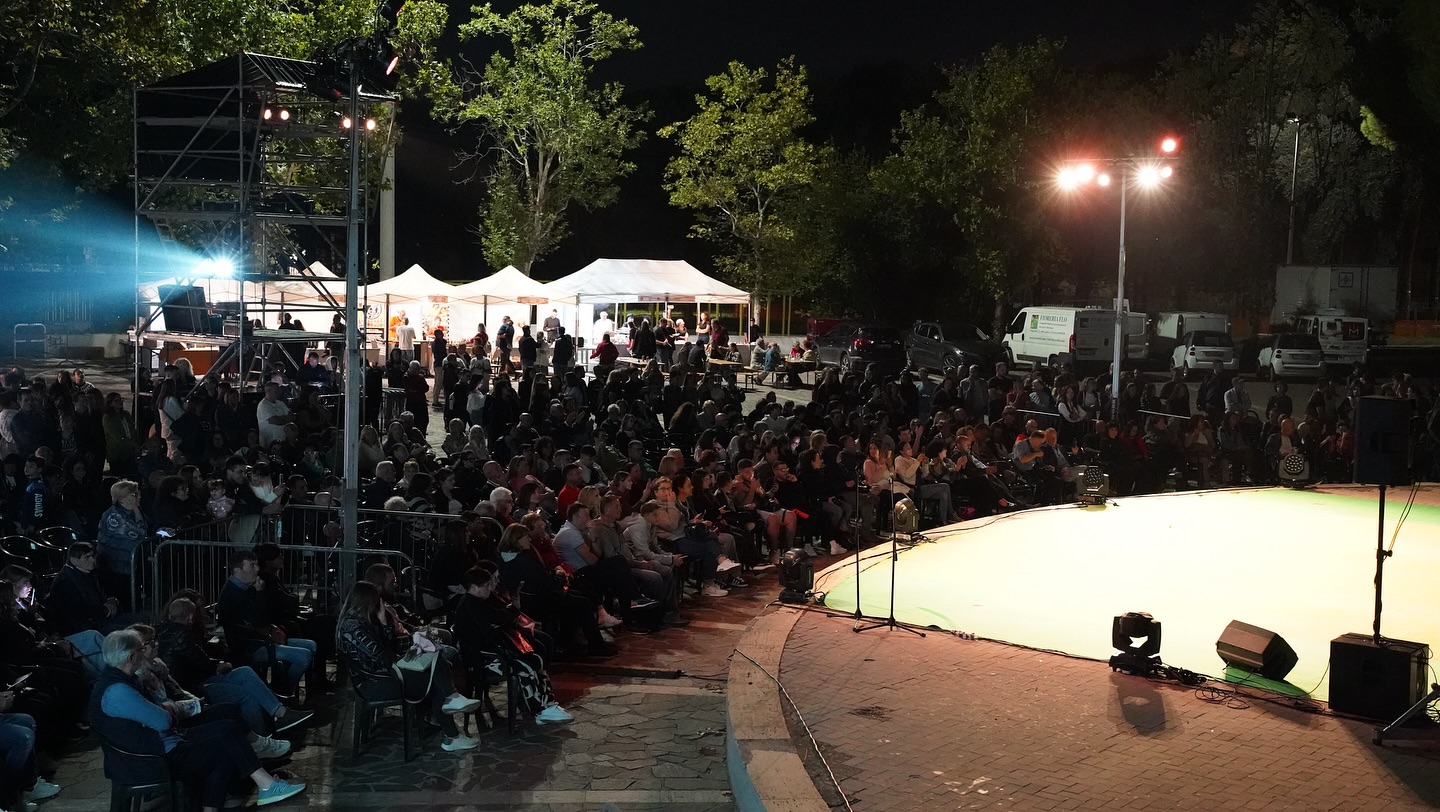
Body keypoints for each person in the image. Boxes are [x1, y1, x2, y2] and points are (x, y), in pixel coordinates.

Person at [90, 629, 306, 811]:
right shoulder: (117, 691)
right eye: (140, 650)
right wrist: (167, 709)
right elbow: (162, 721)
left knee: (228, 728)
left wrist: (165, 709)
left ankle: (259, 786)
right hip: (151, 758)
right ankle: (261, 786)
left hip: (159, 744)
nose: (143, 654)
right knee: (225, 747)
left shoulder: (121, 680)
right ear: (131, 657)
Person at [334, 581, 482, 752]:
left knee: (438, 662)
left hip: (382, 674)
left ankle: (451, 719)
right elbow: (383, 655)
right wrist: (405, 652)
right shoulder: (352, 627)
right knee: (437, 676)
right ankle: (451, 725)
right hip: (376, 682)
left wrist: (386, 625)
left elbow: (387, 649)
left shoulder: (360, 621)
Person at [155, 598, 311, 749]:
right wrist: (218, 665)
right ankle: (261, 743)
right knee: (245, 694)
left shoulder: (163, 631)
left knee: (245, 672)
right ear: (190, 617)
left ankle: (279, 714)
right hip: (192, 687)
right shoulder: (181, 634)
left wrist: (216, 664)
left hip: (192, 681)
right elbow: (201, 662)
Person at [451, 566, 573, 724]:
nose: (490, 588)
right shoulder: (472, 605)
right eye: (486, 585)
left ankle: (546, 703)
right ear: (474, 587)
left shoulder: (478, 601)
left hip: (491, 652)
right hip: (483, 660)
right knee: (527, 665)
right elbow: (501, 618)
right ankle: (539, 709)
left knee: (536, 658)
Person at [216, 550, 317, 696]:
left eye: (257, 565)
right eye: (252, 566)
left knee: (310, 645)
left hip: (262, 638)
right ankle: (283, 691)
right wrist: (260, 593)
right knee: (303, 657)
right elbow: (259, 620)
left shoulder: (245, 587)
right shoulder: (232, 594)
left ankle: (281, 683)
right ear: (237, 570)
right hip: (251, 646)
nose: (257, 569)